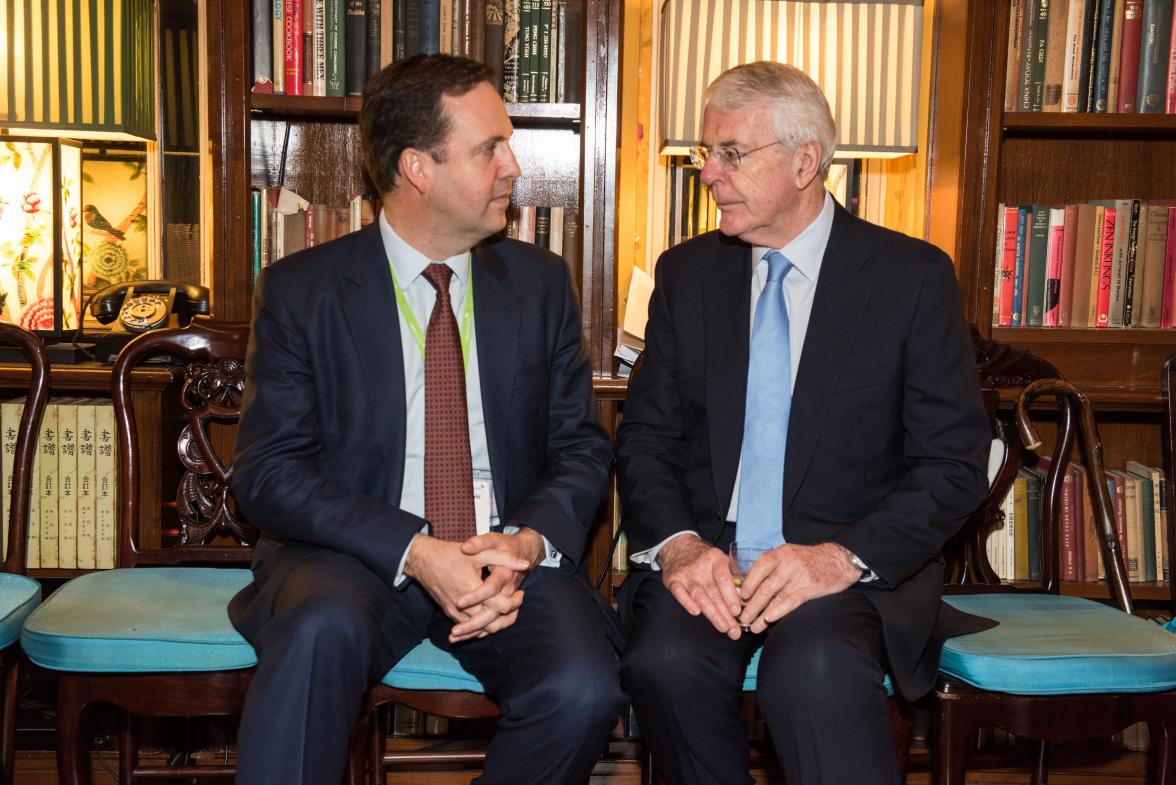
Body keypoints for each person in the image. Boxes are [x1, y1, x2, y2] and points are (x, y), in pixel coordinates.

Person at [228, 53, 624, 785]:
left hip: (502, 556)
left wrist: (528, 542)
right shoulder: (302, 292)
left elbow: (579, 445)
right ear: (418, 168)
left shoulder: (540, 285)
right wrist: (413, 548)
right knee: (317, 631)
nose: (512, 166)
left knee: (583, 687)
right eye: (489, 148)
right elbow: (267, 472)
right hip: (354, 557)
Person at [615, 61, 994, 785]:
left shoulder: (910, 278)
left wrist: (837, 557)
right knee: (662, 662)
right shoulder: (687, 275)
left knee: (812, 668)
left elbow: (952, 464)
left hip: (845, 572)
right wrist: (680, 548)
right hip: (714, 564)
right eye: (705, 153)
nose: (708, 173)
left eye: (731, 153)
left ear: (805, 161)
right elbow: (646, 437)